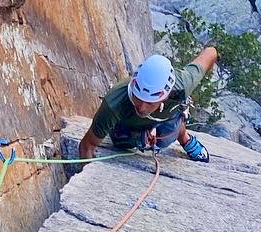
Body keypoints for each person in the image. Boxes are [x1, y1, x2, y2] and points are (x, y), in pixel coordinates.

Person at [79, 48, 217, 163]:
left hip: (167, 113)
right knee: (122, 142)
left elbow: (211, 52)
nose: (142, 107)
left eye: (150, 102)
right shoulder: (114, 103)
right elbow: (87, 146)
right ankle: (139, 135)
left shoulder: (183, 85)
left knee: (168, 133)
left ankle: (184, 137)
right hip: (127, 125)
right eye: (138, 98)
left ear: (165, 95)